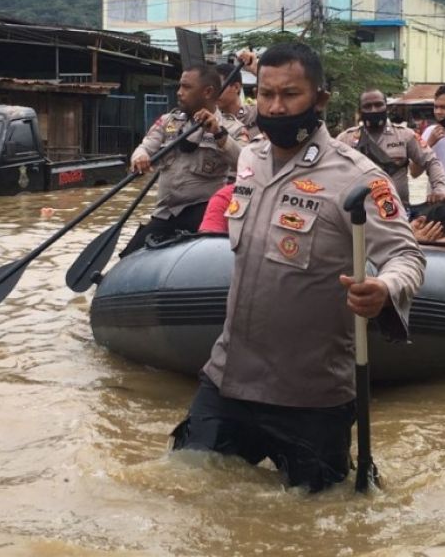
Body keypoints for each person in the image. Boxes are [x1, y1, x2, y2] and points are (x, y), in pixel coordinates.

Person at [172, 42, 425, 492]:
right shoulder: (250, 158)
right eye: (266, 94)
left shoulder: (359, 178)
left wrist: (385, 288)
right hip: (228, 378)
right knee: (188, 497)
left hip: (312, 397)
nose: (274, 106)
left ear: (320, 99)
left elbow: (407, 255)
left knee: (320, 520)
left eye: (289, 95)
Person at [121, 64, 239, 257]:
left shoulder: (229, 127)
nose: (179, 92)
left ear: (207, 92)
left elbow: (246, 163)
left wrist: (219, 134)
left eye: (186, 87)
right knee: (128, 257)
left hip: (202, 212)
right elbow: (146, 146)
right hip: (167, 213)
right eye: (180, 86)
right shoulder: (169, 121)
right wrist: (140, 157)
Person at [337, 88, 445, 207]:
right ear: (360, 110)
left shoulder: (405, 135)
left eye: (378, 105)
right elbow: (330, 171)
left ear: (386, 107)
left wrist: (439, 189)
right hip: (359, 212)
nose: (374, 110)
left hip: (397, 212)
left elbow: (431, 160)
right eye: (367, 106)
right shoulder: (345, 139)